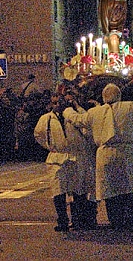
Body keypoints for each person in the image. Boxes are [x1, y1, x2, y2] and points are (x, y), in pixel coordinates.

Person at [63, 83, 133, 229]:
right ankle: (129, 217)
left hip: (105, 154)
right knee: (131, 187)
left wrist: (68, 110)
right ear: (119, 95)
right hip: (128, 152)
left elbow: (77, 119)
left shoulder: (95, 112)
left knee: (110, 190)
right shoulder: (130, 107)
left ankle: (115, 220)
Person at [34, 93, 97, 232]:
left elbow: (88, 127)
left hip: (74, 157)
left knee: (77, 189)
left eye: (59, 102)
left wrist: (77, 108)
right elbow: (38, 134)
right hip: (57, 158)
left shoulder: (73, 117)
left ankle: (77, 219)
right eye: (54, 103)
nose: (57, 105)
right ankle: (62, 220)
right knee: (58, 190)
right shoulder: (47, 119)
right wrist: (50, 146)